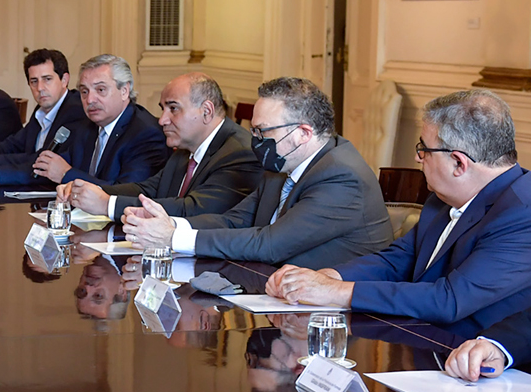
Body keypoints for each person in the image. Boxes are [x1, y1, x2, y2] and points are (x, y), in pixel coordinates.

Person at [266, 90, 531, 336]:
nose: (418, 158)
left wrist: (336, 291)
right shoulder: (444, 197)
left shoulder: (522, 214)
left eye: (424, 149)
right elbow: (398, 259)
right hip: (416, 334)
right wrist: (329, 277)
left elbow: (449, 300)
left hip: (469, 355)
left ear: (459, 163)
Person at [123, 77, 392, 269]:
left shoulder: (341, 177)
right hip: (276, 289)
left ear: (303, 133)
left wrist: (173, 238)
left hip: (341, 314)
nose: (255, 141)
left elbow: (270, 244)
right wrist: (168, 225)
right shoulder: (282, 164)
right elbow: (234, 222)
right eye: (254, 131)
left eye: (263, 132)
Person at [60, 73, 261, 219]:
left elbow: (193, 209)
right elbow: (148, 189)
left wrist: (107, 204)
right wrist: (87, 191)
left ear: (206, 111)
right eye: (163, 109)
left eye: (173, 108)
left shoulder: (241, 153)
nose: (162, 120)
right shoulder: (185, 147)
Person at [0, 54, 168, 187]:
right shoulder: (87, 127)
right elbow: (48, 167)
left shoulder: (146, 133)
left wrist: (67, 174)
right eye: (84, 91)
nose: (90, 100)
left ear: (124, 90)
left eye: (100, 90)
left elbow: (125, 194)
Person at [0, 49, 85, 176]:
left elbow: (41, 160)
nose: (40, 88)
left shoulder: (75, 110)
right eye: (34, 81)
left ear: (64, 80)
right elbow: (14, 144)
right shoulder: (41, 110)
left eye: (47, 79)